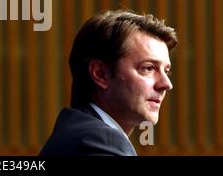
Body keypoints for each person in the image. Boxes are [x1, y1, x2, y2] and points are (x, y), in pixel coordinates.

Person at [39, 10, 177, 156]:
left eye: (166, 71)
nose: (166, 84)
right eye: (148, 68)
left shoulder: (79, 134)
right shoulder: (97, 142)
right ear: (100, 74)